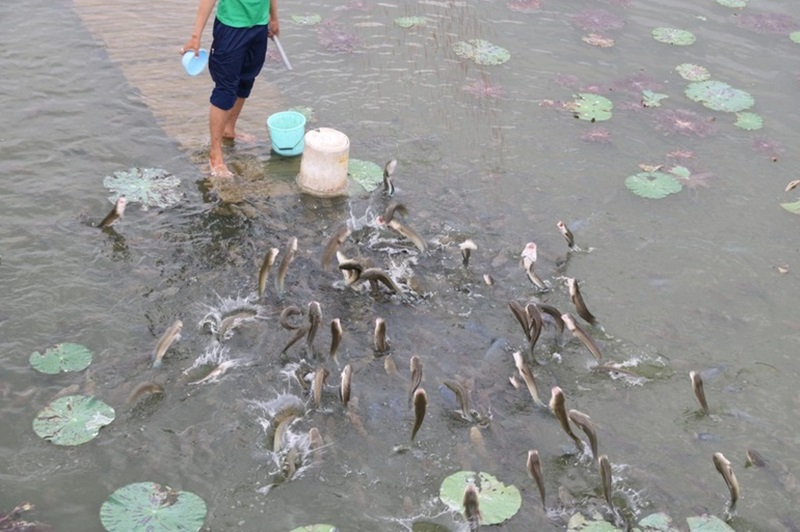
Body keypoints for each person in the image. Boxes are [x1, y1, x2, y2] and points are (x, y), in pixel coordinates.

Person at [182, 0, 280, 178]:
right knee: (226, 89)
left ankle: (229, 130)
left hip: (258, 26)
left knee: (246, 80)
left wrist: (273, 18)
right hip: (231, 28)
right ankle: (215, 154)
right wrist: (196, 36)